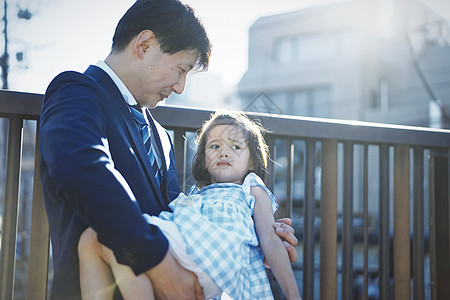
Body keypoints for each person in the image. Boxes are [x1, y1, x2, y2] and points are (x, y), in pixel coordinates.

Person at [39, 0, 297, 299]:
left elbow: (176, 219)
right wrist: (157, 259)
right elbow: (82, 167)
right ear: (145, 45)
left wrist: (245, 228)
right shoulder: (77, 90)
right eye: (180, 69)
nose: (180, 87)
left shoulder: (159, 134)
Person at [78, 111, 301, 300]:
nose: (224, 152)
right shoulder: (197, 195)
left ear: (251, 161)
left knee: (112, 238)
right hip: (188, 253)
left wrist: (293, 295)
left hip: (212, 258)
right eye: (215, 146)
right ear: (204, 159)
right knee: (96, 240)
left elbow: (270, 240)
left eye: (235, 147)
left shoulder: (251, 187)